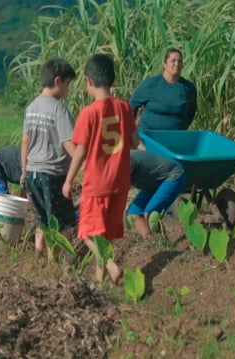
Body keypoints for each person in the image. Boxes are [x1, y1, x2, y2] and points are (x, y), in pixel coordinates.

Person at [62, 54, 141, 284]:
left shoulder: (88, 113)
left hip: (97, 183)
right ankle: (100, 283)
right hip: (120, 182)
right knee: (104, 236)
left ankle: (111, 267)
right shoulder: (124, 107)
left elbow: (80, 151)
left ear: (88, 81)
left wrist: (68, 181)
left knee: (87, 232)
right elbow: (135, 142)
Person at [20, 59, 77, 261]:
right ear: (58, 81)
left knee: (42, 219)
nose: (67, 90)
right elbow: (69, 143)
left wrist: (24, 171)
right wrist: (85, 165)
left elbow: (25, 142)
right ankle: (54, 264)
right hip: (52, 174)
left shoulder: (31, 107)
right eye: (67, 84)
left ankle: (38, 257)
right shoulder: (58, 109)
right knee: (56, 224)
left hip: (33, 172)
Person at [129, 48, 197, 131]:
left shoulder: (188, 88)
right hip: (149, 136)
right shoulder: (150, 84)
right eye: (173, 61)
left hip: (175, 137)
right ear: (164, 64)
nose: (177, 64)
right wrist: (131, 131)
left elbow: (191, 112)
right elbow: (132, 106)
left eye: (179, 61)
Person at [128, 149, 186, 238]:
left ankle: (162, 241)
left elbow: (123, 186)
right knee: (133, 213)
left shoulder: (127, 159)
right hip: (153, 184)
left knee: (150, 213)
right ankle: (149, 241)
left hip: (172, 177)